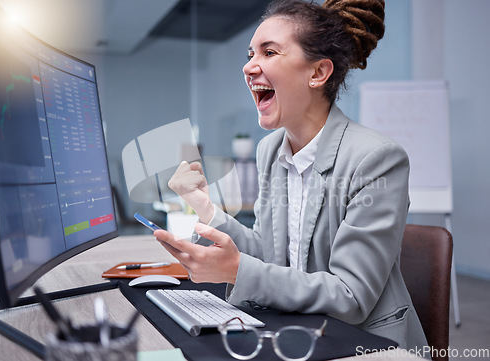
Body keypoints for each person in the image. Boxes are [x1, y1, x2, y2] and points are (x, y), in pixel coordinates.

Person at [154, 0, 429, 351]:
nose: (249, 66)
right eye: (250, 53)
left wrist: (237, 270)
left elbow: (350, 296)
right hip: (299, 328)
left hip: (362, 342)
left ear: (318, 73)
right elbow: (269, 252)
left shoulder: (376, 159)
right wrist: (205, 208)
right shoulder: (270, 150)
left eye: (268, 52)